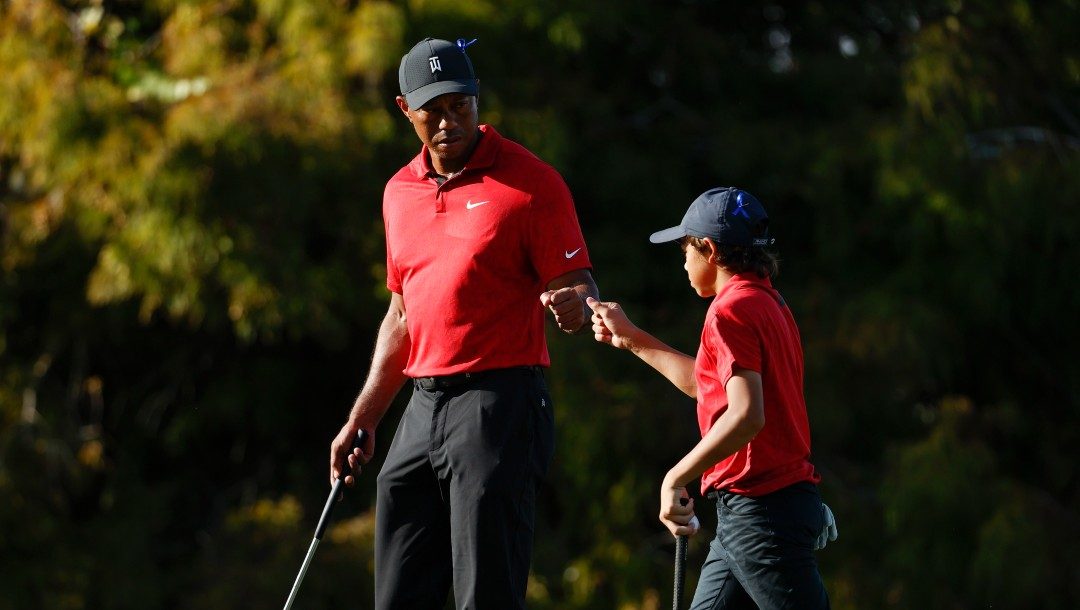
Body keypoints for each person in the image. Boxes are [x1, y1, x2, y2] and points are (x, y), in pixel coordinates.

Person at [328, 37, 598, 609]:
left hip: (499, 401)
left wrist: (574, 307)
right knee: (397, 589)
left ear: (476, 100)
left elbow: (578, 288)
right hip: (423, 405)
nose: (450, 121)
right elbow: (403, 313)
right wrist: (364, 416)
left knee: (484, 595)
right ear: (406, 110)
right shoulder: (398, 193)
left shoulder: (531, 184)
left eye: (461, 105)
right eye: (434, 110)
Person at [587, 187, 836, 609]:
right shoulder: (768, 302)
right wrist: (631, 339)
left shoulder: (729, 312)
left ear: (708, 250)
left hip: (762, 515)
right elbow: (709, 388)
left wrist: (675, 476)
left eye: (685, 249)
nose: (683, 261)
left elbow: (745, 416)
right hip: (758, 512)